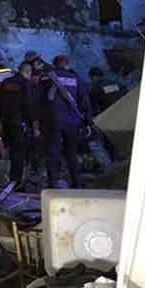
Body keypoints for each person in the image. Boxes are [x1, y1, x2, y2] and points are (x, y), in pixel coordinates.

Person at [40, 55, 93, 189]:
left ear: (55, 64)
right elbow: (85, 102)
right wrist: (88, 123)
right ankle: (77, 183)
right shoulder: (75, 79)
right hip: (72, 122)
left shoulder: (47, 77)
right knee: (71, 153)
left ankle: (53, 183)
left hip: (54, 121)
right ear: (67, 64)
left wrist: (37, 120)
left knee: (53, 153)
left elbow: (38, 101)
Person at [0, 60, 34, 185]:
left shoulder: (6, 82)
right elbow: (28, 105)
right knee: (19, 152)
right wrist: (31, 123)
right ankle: (16, 181)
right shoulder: (25, 84)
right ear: (27, 72)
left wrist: (1, 120)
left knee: (11, 150)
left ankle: (11, 178)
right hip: (19, 122)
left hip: (6, 122)